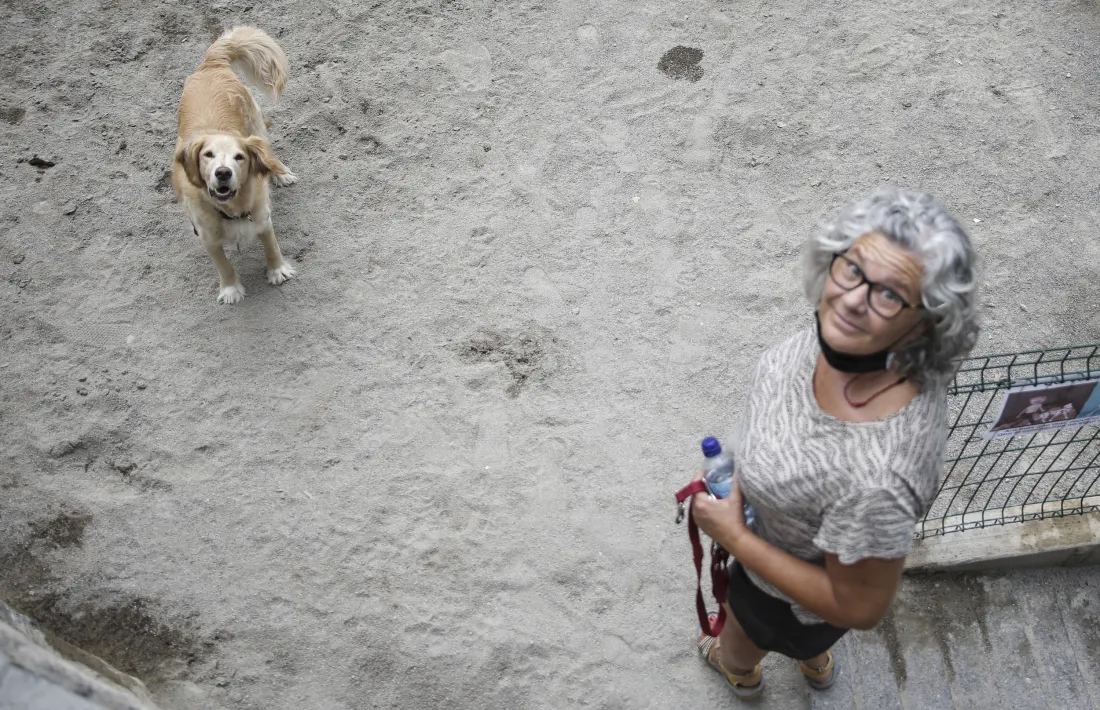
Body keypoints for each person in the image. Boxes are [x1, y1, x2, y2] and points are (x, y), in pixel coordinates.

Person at [688, 188, 980, 700]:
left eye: (889, 295)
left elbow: (860, 608)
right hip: (789, 563)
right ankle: (816, 662)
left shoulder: (879, 478)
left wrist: (734, 538)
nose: (850, 300)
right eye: (851, 269)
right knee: (809, 637)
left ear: (925, 324)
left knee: (748, 633)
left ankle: (739, 672)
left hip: (775, 590)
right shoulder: (854, 346)